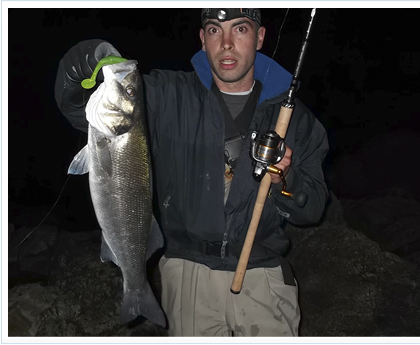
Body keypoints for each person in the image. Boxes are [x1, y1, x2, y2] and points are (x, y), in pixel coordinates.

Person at [55, 8, 329, 337]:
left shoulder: (297, 120)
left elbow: (312, 207)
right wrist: (79, 63)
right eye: (215, 30)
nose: (226, 43)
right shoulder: (167, 94)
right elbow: (83, 109)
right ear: (203, 39)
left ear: (259, 37)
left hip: (264, 276)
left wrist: (284, 179)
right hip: (185, 272)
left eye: (239, 29)